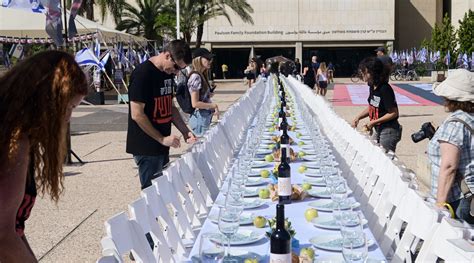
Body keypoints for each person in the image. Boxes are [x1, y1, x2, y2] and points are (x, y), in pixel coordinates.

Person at [0, 50, 88, 261]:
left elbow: (15, 229)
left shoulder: (16, 136)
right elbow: (2, 234)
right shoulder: (15, 142)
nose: (68, 118)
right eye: (68, 108)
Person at [126, 39, 196, 190]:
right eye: (176, 67)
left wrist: (185, 131)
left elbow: (170, 107)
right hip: (146, 146)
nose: (176, 72)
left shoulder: (167, 74)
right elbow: (137, 114)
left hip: (162, 145)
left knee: (163, 191)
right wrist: (161, 138)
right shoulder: (143, 74)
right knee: (152, 195)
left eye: (180, 70)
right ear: (167, 55)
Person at [427, 69, 474, 223]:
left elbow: (449, 167)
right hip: (469, 193)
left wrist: (440, 203)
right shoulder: (469, 117)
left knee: (458, 243)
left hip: (458, 197)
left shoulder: (455, 123)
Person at [351, 57, 402, 152]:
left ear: (371, 72)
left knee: (384, 158)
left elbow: (393, 113)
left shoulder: (384, 89)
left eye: (364, 71)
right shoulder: (372, 86)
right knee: (373, 151)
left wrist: (373, 122)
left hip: (389, 130)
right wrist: (358, 117)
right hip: (378, 128)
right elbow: (372, 106)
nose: (362, 74)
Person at [188, 48, 220, 136]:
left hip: (203, 117)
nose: (210, 61)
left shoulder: (201, 75)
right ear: (198, 59)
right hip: (200, 119)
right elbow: (195, 103)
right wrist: (213, 106)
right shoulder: (196, 76)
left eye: (211, 59)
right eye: (207, 59)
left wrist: (208, 94)